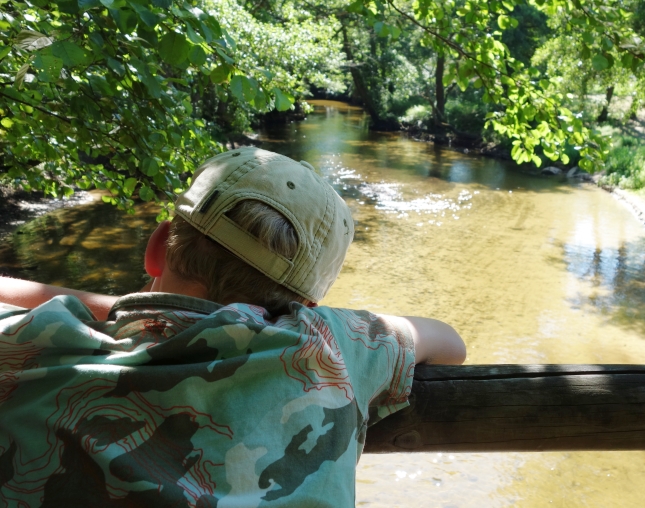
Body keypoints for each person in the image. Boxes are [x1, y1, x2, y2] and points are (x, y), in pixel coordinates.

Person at [0, 147, 466, 507]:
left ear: (158, 244)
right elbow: (450, 343)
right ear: (305, 305)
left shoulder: (35, 345)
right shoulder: (329, 344)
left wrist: (118, 308)